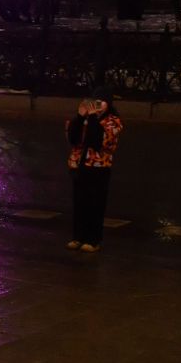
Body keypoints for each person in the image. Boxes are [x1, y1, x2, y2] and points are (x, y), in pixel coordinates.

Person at [66, 95, 123, 252]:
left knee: (95, 203)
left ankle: (93, 240)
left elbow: (98, 141)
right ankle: (78, 237)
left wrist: (91, 118)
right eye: (95, 101)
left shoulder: (112, 121)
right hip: (79, 165)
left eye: (102, 101)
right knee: (79, 202)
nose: (98, 105)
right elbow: (73, 138)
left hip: (99, 167)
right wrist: (79, 117)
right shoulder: (84, 118)